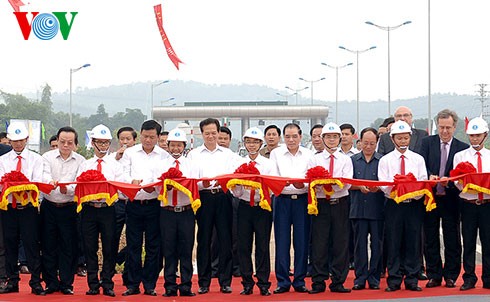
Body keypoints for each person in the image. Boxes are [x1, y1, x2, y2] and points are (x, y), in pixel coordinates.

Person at [187, 118, 237, 294]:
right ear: (202, 134)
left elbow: (234, 176)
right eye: (207, 133)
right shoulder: (194, 154)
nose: (210, 136)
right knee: (204, 240)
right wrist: (203, 185)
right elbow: (192, 179)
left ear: (219, 133)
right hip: (204, 198)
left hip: (223, 197)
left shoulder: (228, 154)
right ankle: (204, 281)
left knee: (225, 239)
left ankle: (225, 281)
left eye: (213, 133)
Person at [120, 120, 169, 296]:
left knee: (153, 246)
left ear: (158, 137)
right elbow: (122, 174)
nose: (148, 140)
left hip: (154, 204)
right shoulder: (130, 153)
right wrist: (131, 183)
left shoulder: (164, 155)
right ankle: (132, 284)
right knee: (133, 245)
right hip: (134, 204)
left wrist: (154, 187)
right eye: (145, 136)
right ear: (140, 134)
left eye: (152, 137)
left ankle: (150, 284)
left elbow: (165, 179)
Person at [420, 109, 468, 289]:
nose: (444, 131)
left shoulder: (462, 148)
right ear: (437, 127)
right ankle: (434, 274)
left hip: (451, 199)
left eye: (448, 127)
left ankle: (451, 275)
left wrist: (450, 181)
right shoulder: (426, 143)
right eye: (441, 127)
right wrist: (428, 176)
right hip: (430, 198)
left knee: (452, 238)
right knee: (430, 237)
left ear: (455, 127)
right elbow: (420, 166)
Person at [378, 120, 428, 292]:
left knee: (413, 241)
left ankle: (412, 278)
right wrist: (399, 187)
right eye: (399, 138)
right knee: (393, 241)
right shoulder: (385, 160)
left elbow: (423, 182)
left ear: (410, 138)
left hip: (414, 205)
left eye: (406, 138)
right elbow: (383, 185)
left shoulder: (418, 159)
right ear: (392, 139)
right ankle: (394, 279)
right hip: (394, 205)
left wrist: (410, 189)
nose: (403, 141)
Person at [77, 124, 123, 297]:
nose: (103, 146)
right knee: (90, 247)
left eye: (106, 143)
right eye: (100, 143)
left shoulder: (115, 165)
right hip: (89, 210)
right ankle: (93, 284)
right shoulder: (85, 164)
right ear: (93, 142)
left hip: (108, 209)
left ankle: (108, 283)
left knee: (109, 247)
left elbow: (121, 185)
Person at [0, 122, 45, 295]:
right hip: (9, 208)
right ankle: (12, 281)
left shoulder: (36, 159)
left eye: (21, 140)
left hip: (28, 208)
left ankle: (35, 281)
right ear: (9, 141)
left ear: (26, 139)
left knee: (31, 244)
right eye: (14, 140)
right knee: (10, 243)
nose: (18, 144)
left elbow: (37, 182)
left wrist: (18, 185)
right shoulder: (2, 161)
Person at [307, 122, 353, 294]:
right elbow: (310, 182)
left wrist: (328, 186)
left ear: (340, 139)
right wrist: (327, 185)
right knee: (319, 243)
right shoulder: (314, 158)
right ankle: (318, 281)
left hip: (340, 203)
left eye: (335, 137)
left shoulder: (346, 159)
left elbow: (346, 183)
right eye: (328, 137)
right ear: (322, 139)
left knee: (340, 243)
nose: (332, 140)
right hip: (321, 205)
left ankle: (338, 281)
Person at [231, 127, 275, 296]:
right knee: (243, 246)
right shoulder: (239, 164)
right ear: (244, 143)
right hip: (244, 207)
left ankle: (264, 283)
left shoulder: (268, 164)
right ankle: (247, 282)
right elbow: (236, 192)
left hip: (262, 207)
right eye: (248, 142)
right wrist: (240, 186)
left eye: (255, 142)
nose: (251, 145)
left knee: (262, 246)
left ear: (260, 144)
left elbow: (272, 188)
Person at [41, 126, 85, 295]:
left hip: (70, 208)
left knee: (69, 246)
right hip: (49, 207)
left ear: (75, 144)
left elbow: (78, 181)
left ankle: (67, 283)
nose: (66, 145)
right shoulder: (47, 157)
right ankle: (51, 282)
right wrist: (51, 183)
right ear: (57, 141)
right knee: (48, 245)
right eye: (62, 142)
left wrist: (69, 188)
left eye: (70, 142)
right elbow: (43, 176)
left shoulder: (80, 160)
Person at [270, 123, 312, 294]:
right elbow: (273, 177)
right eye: (287, 136)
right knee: (282, 241)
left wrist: (303, 183)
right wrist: (284, 182)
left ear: (301, 136)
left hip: (302, 200)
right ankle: (283, 281)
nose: (291, 140)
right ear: (283, 137)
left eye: (294, 136)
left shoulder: (309, 155)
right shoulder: (276, 153)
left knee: (302, 241)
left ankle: (300, 280)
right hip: (282, 199)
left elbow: (312, 178)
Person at [156, 128, 196, 297]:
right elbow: (155, 186)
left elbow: (197, 186)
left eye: (179, 146)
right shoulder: (161, 163)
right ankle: (170, 286)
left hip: (186, 212)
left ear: (184, 146)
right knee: (169, 250)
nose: (176, 149)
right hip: (167, 212)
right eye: (173, 145)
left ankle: (186, 286)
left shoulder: (191, 164)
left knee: (186, 250)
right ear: (168, 145)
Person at [453, 117, 490, 291]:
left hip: (487, 204)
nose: (474, 139)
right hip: (468, 203)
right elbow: (457, 182)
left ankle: (488, 277)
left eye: (478, 135)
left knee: (488, 242)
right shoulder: (460, 156)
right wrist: (472, 184)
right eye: (472, 136)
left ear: (485, 135)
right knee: (468, 242)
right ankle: (469, 278)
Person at [349, 127, 384, 290]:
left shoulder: (382, 160)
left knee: (377, 245)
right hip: (358, 209)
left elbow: (387, 182)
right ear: (360, 142)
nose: (368, 146)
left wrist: (380, 187)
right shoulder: (353, 160)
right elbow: (347, 183)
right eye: (365, 143)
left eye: (372, 143)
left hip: (377, 209)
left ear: (376, 143)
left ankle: (375, 277)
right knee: (359, 245)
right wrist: (358, 186)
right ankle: (360, 277)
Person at [110, 126, 137, 285]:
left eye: (129, 139)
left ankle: (128, 273)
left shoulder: (138, 157)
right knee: (112, 237)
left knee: (133, 240)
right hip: (118, 202)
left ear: (135, 140)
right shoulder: (113, 158)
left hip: (134, 202)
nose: (125, 142)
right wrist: (117, 158)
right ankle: (110, 269)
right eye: (122, 139)